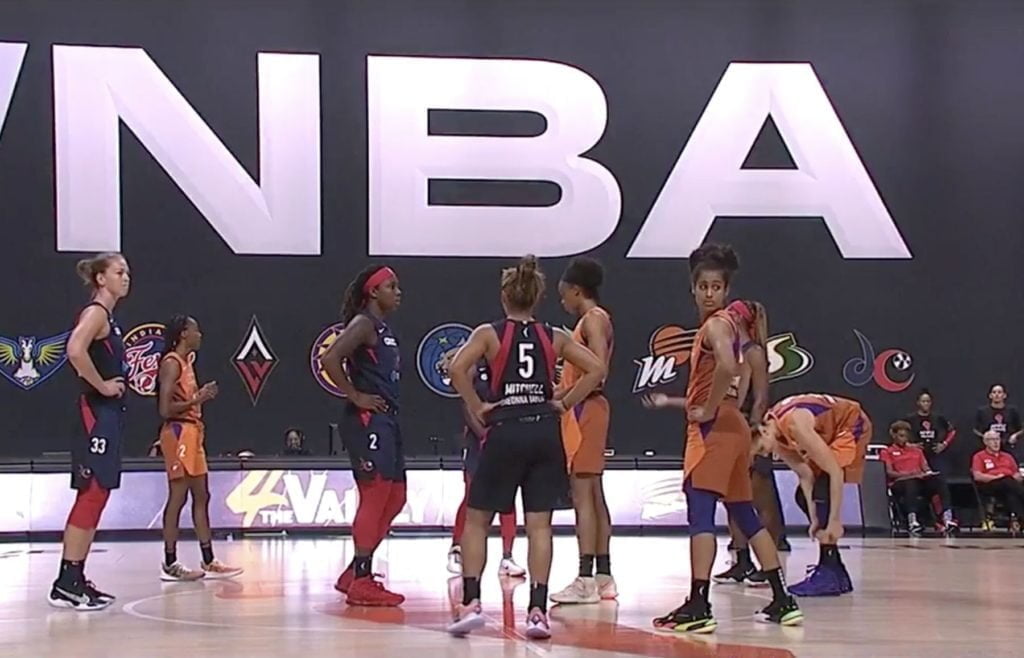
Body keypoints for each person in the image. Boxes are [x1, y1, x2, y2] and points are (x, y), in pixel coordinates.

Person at [445, 255, 606, 639]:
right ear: (538, 298)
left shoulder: (489, 334)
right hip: (545, 434)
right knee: (539, 526)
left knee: (478, 520)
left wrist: (477, 404)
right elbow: (597, 369)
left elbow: (455, 369)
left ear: (504, 296)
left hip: (506, 431)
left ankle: (471, 602)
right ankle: (537, 612)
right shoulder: (554, 336)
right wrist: (564, 402)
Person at [643, 244, 801, 633]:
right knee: (744, 513)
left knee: (700, 513)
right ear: (694, 289)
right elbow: (740, 376)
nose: (709, 293)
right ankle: (782, 598)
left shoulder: (715, 326)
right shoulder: (737, 331)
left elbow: (728, 369)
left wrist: (709, 409)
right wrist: (709, 404)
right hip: (734, 426)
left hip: (714, 429)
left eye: (716, 287)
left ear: (726, 291)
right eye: (704, 287)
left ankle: (699, 603)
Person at [49, 253, 129, 610]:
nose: (125, 277)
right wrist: (102, 385)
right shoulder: (95, 313)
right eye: (118, 272)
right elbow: (74, 350)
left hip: (107, 415)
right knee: (91, 493)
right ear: (100, 278)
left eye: (127, 272)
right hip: (94, 414)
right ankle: (67, 580)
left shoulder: (108, 318)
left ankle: (75, 577)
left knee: (99, 493)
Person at [324, 265, 407, 607]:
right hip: (367, 420)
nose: (398, 292)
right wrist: (355, 395)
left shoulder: (382, 328)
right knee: (375, 494)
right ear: (373, 292)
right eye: (392, 286)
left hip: (386, 420)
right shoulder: (364, 324)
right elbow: (330, 358)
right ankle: (362, 579)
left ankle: (353, 572)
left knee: (396, 496)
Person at [755, 393, 872, 597]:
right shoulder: (774, 431)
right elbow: (805, 475)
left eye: (762, 449)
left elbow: (835, 472)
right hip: (830, 427)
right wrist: (815, 519)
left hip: (851, 423)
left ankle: (829, 574)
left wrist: (835, 521)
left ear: (763, 431)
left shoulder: (794, 425)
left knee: (823, 489)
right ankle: (836, 570)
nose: (766, 454)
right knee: (803, 497)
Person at [550, 257, 617, 605]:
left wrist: (565, 400)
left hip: (585, 411)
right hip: (587, 408)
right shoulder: (595, 319)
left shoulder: (593, 319)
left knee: (583, 496)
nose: (562, 301)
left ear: (576, 291)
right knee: (594, 494)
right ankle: (603, 575)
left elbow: (598, 371)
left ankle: (585, 578)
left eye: (563, 295)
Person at [157, 315, 242, 581]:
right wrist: (198, 399)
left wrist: (198, 398)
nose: (200, 335)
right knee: (178, 497)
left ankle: (208, 560)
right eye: (196, 330)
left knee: (202, 495)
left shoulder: (187, 362)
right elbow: (164, 409)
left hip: (193, 432)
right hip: (178, 432)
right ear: (183, 333)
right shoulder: (171, 363)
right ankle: (170, 563)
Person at [710, 300, 788, 588]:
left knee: (760, 497)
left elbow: (761, 397)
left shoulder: (754, 352)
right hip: (730, 428)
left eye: (732, 314)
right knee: (733, 499)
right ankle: (741, 560)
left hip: (752, 431)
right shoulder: (729, 349)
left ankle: (770, 563)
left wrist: (753, 429)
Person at [444, 354, 524, 578]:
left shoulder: (510, 365)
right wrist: (482, 433)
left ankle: (507, 557)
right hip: (478, 440)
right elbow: (466, 404)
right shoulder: (473, 364)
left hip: (505, 437)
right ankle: (457, 549)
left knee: (508, 497)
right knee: (472, 496)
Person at [880, 420, 957, 536]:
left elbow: (925, 467)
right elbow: (889, 473)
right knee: (911, 484)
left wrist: (929, 473)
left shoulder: (917, 451)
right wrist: (911, 474)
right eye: (901, 436)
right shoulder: (887, 452)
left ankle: (947, 518)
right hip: (900, 483)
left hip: (920, 481)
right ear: (894, 436)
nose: (904, 439)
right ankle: (913, 521)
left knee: (939, 481)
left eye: (906, 436)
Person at [971, 431, 1024, 533]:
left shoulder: (1007, 456)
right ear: (985, 442)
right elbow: (977, 476)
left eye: (997, 439)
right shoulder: (979, 456)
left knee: (1011, 495)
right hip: (990, 485)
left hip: (1009, 485)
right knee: (1007, 481)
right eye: (992, 440)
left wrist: (1014, 477)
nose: (996, 442)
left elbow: (1017, 473)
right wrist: (995, 477)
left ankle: (1021, 519)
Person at [904, 389, 956, 473]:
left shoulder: (938, 417)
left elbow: (952, 431)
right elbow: (898, 433)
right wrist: (909, 445)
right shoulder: (910, 419)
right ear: (918, 402)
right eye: (923, 401)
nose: (926, 404)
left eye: (928, 401)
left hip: (935, 454)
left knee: (938, 477)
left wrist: (944, 444)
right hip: (917, 455)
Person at [974, 384, 1023, 461]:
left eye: (999, 392)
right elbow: (975, 429)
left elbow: (1021, 429)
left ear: (1004, 395)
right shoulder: (982, 411)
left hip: (1008, 446)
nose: (996, 394)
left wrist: (1015, 435)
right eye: (994, 392)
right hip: (988, 448)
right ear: (990, 396)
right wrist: (985, 437)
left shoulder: (1012, 411)